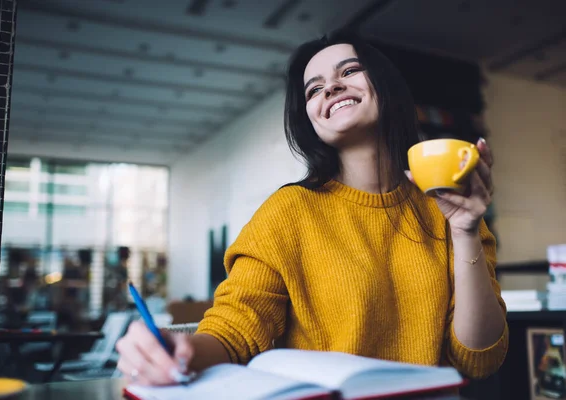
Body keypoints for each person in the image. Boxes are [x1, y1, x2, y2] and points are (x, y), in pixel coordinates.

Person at [115, 29, 508, 386]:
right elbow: (235, 328)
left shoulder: (448, 209)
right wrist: (177, 351)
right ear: (310, 119)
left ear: (385, 87)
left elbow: (479, 360)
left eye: (349, 71)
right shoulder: (287, 212)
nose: (331, 87)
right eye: (313, 89)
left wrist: (466, 230)